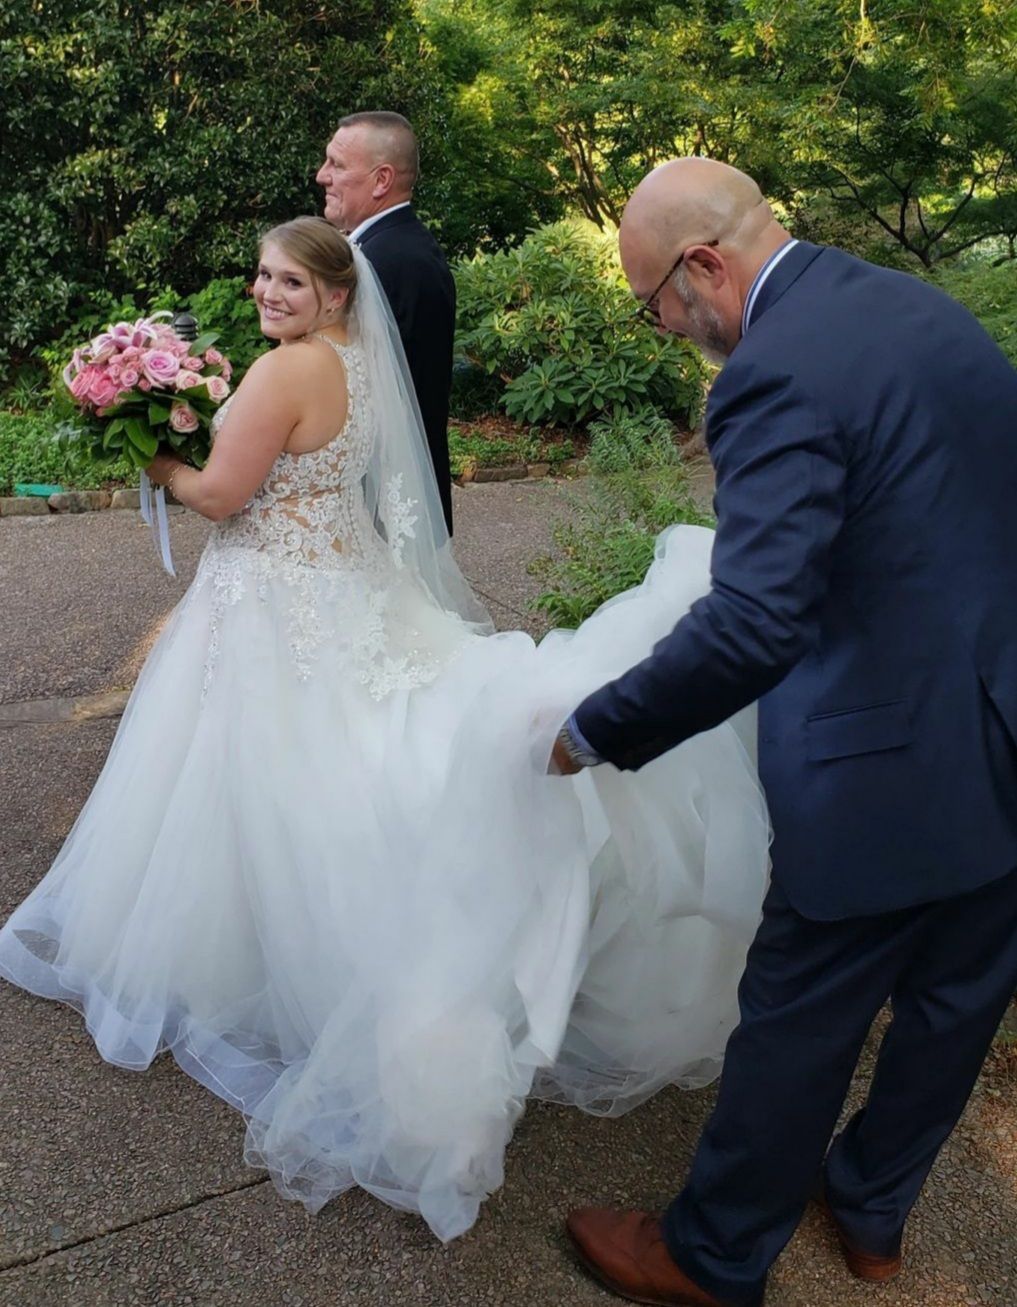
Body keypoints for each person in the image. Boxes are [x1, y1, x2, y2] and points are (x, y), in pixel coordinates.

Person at [0, 216, 770, 1243]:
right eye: (262, 276)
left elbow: (225, 493)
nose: (268, 292)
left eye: (288, 280)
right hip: (343, 595)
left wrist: (151, 457)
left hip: (277, 612)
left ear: (332, 292)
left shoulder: (281, 375)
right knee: (296, 780)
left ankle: (273, 968)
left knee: (254, 783)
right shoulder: (356, 366)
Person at [559, 158, 1017, 1307]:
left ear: (703, 263)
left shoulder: (772, 372)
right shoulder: (918, 304)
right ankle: (872, 1208)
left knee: (801, 1012)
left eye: (655, 301)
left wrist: (596, 728)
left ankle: (711, 1253)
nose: (666, 327)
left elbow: (758, 618)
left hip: (881, 760)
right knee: (959, 999)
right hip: (1002, 722)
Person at [317, 110, 456, 534]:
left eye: (337, 165)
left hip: (381, 510)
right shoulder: (389, 249)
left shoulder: (390, 261)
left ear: (381, 180)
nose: (322, 176)